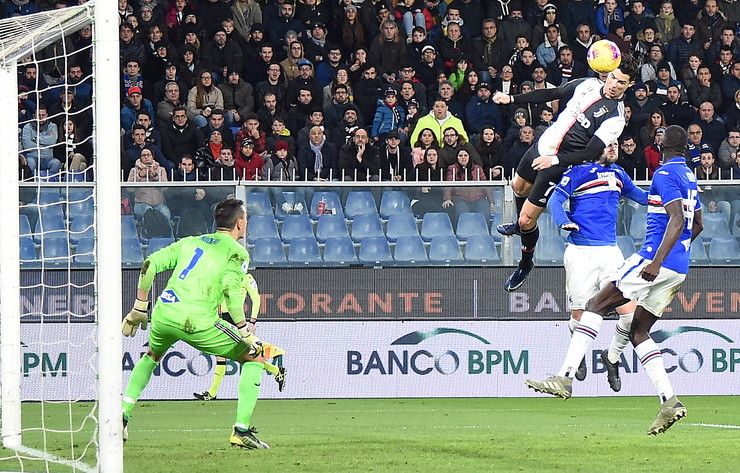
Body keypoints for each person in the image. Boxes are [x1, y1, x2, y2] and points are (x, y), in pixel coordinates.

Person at [525, 125, 703, 436]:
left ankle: (565, 377)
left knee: (595, 305)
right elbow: (696, 223)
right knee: (639, 331)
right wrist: (679, 252)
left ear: (664, 145)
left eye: (660, 137)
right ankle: (669, 401)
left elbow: (676, 219)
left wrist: (656, 261)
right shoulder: (689, 176)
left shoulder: (663, 173)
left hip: (652, 260)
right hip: (679, 266)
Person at [121, 199, 272, 449]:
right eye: (245, 219)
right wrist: (244, 330)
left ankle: (123, 413)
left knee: (151, 356)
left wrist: (139, 306)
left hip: (164, 313)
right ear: (240, 223)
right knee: (256, 357)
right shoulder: (237, 252)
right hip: (196, 321)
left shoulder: (190, 242)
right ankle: (241, 430)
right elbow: (231, 291)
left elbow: (150, 264)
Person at [492, 55, 639, 292]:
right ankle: (520, 228)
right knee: (517, 187)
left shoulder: (616, 118)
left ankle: (525, 264)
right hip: (542, 146)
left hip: (558, 163)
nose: (614, 84)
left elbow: (590, 152)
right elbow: (553, 93)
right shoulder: (588, 84)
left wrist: (554, 160)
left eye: (621, 82)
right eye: (613, 77)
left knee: (527, 220)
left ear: (629, 85)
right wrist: (511, 98)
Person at [534, 142, 647, 386]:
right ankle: (578, 353)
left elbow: (643, 197)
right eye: (609, 145)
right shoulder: (577, 172)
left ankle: (612, 356)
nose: (613, 148)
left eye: (616, 144)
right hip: (580, 253)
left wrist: (673, 196)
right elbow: (555, 201)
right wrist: (563, 221)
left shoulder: (619, 174)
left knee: (630, 315)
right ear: (597, 148)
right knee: (580, 314)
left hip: (610, 253)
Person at [194, 271, 285, 401]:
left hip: (235, 319)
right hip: (221, 319)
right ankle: (212, 393)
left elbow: (256, 298)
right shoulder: (223, 275)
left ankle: (276, 370)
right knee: (221, 355)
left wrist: (252, 321)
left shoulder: (247, 278)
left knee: (246, 355)